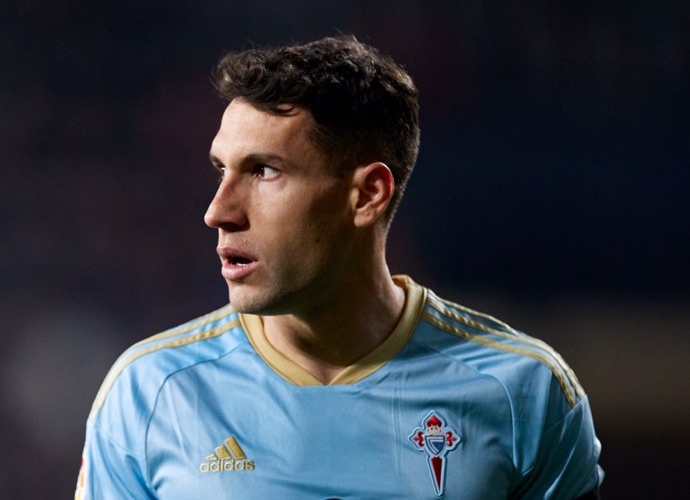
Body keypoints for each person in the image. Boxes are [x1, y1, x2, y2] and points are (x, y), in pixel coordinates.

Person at [75, 36, 603, 499]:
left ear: (368, 195)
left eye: (263, 171)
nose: (218, 211)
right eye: (221, 169)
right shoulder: (148, 393)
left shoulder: (526, 393)